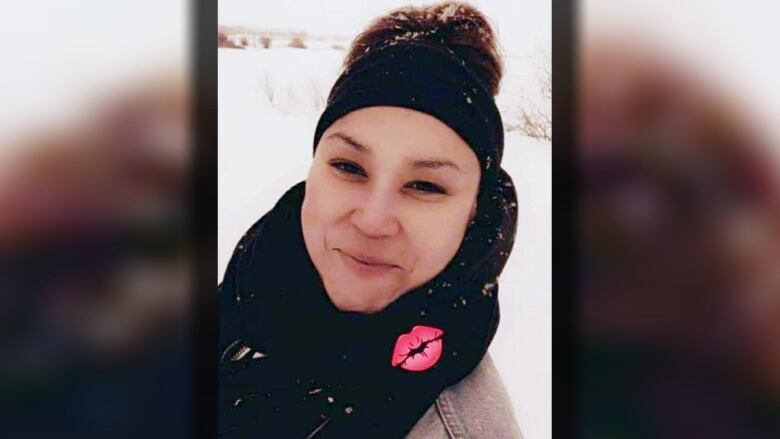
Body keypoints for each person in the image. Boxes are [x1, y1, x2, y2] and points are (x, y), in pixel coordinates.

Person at [218, 2, 523, 437]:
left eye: (426, 186)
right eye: (349, 167)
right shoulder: (249, 288)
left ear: (474, 212)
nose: (372, 221)